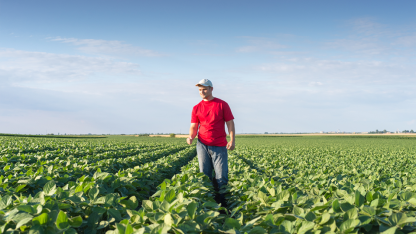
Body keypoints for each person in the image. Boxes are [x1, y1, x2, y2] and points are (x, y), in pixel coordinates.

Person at [186, 79, 235, 207]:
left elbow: (230, 123)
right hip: (202, 144)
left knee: (221, 176)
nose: (202, 92)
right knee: (204, 175)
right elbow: (194, 126)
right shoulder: (196, 107)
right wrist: (191, 136)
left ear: (211, 89)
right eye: (200, 90)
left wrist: (232, 140)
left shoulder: (222, 104)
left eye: (204, 89)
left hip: (219, 145)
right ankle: (208, 204)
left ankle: (224, 205)